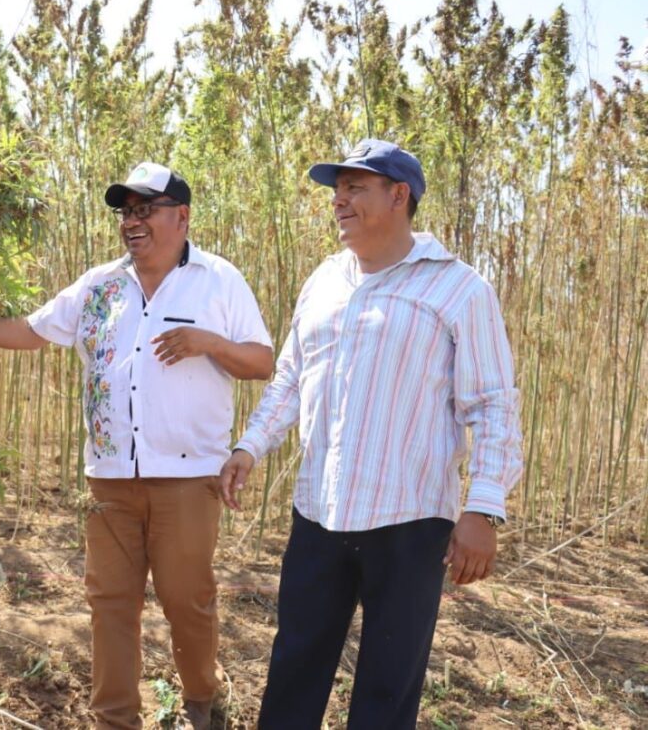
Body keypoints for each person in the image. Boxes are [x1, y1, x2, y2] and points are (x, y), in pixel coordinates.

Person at [0, 162, 274, 730]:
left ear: (182, 216)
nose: (133, 221)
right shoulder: (100, 285)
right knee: (109, 606)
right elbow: (31, 329)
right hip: (110, 478)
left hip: (188, 479)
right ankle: (115, 719)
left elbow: (263, 362)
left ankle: (201, 702)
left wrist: (208, 343)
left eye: (147, 209)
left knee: (186, 602)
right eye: (126, 211)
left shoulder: (219, 281)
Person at [219, 139, 524, 729]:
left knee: (388, 684)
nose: (339, 201)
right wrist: (249, 446)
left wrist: (483, 508)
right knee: (294, 668)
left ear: (399, 196)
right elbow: (289, 377)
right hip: (320, 514)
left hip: (409, 523)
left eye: (355, 188)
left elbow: (491, 406)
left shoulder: (458, 290)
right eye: (337, 190)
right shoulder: (325, 281)